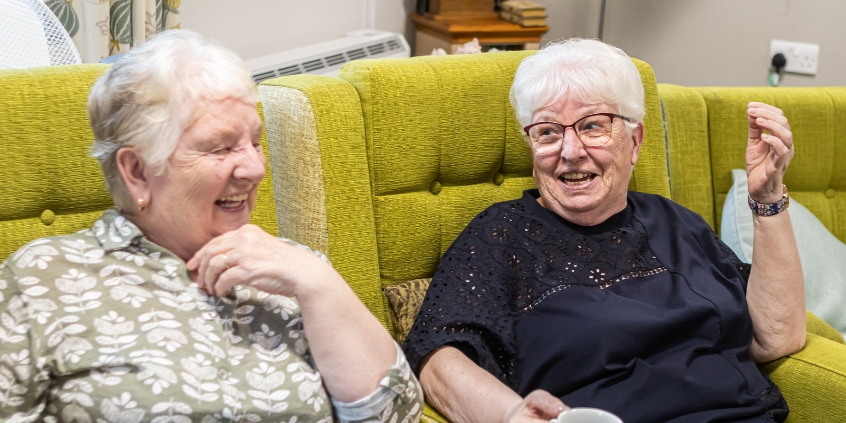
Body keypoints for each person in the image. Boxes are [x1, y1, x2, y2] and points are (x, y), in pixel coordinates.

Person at [0, 30, 422, 423]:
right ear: (138, 171)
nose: (255, 168)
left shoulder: (292, 268)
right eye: (221, 148)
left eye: (255, 142)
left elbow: (397, 415)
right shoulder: (43, 279)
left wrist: (319, 284)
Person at [402, 39, 804, 423]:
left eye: (592, 126)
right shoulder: (502, 235)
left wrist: (767, 200)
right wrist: (511, 414)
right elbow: (438, 357)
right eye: (548, 131)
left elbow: (775, 338)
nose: (571, 151)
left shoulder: (676, 222)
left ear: (635, 141)